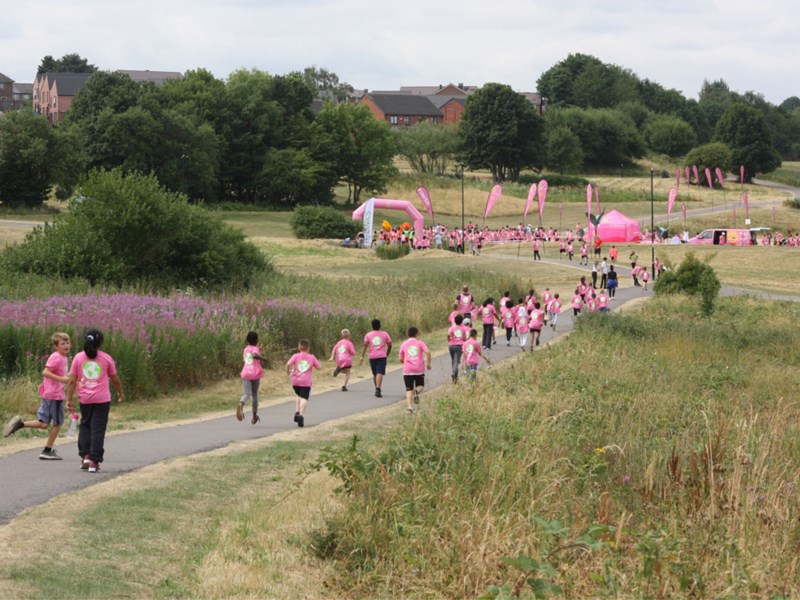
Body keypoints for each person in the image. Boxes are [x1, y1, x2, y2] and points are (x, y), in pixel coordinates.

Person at [3, 332, 72, 460]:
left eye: (68, 342)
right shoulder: (57, 357)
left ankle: (19, 424)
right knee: (58, 423)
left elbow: (60, 374)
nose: (66, 345)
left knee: (44, 423)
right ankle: (47, 450)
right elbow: (45, 372)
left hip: (48, 393)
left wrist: (67, 379)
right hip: (54, 395)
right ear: (56, 346)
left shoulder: (63, 357)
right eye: (63, 343)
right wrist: (62, 379)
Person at [66, 329, 124, 473]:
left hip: (85, 398)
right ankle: (94, 460)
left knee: (85, 425)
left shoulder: (78, 358)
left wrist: (69, 399)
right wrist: (120, 393)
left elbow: (72, 380)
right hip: (102, 399)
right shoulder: (106, 358)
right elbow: (115, 379)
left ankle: (85, 456)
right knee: (98, 428)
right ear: (100, 342)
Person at [286, 339, 321, 428]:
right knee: (304, 398)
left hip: (295, 380)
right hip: (306, 381)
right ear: (308, 348)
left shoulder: (295, 356)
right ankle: (301, 415)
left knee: (299, 395)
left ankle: (297, 412)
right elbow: (319, 367)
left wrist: (288, 372)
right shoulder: (312, 357)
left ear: (299, 347)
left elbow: (288, 364)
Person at [398, 327, 432, 413]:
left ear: (407, 334)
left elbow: (400, 357)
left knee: (408, 389)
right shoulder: (420, 343)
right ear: (417, 334)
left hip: (407, 370)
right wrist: (428, 363)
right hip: (418, 369)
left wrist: (404, 362)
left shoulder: (404, 344)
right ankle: (416, 392)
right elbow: (427, 352)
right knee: (420, 385)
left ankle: (410, 408)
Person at [237, 331, 267, 424]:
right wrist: (263, 358)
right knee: (254, 394)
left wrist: (258, 350)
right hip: (254, 373)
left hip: (245, 372)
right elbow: (254, 354)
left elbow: (251, 354)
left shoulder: (246, 349)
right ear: (257, 339)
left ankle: (241, 403)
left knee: (246, 394)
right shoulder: (255, 349)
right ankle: (254, 416)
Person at [359, 319, 392, 398]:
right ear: (380, 325)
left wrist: (362, 355)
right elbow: (390, 344)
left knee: (375, 373)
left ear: (372, 326)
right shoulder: (385, 334)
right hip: (382, 355)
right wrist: (387, 353)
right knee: (379, 372)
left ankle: (377, 389)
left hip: (372, 356)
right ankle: (378, 389)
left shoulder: (368, 335)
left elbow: (365, 345)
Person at [447, 315, 470, 383]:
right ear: (461, 322)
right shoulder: (462, 329)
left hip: (451, 345)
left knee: (453, 360)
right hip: (459, 346)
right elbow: (465, 338)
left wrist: (449, 340)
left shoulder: (451, 328)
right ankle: (454, 373)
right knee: (456, 361)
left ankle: (455, 375)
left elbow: (448, 334)